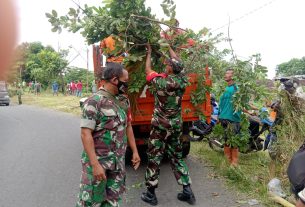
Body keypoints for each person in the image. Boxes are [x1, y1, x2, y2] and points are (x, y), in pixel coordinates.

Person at [76, 62, 141, 207]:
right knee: (91, 202)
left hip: (117, 164)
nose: (127, 84)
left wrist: (135, 151)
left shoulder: (123, 101)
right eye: (125, 81)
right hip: (99, 165)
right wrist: (95, 165)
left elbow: (128, 126)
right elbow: (85, 134)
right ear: (114, 79)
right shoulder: (94, 102)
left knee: (112, 202)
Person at [141, 44, 195, 206]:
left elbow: (148, 71)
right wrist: (171, 48)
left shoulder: (160, 82)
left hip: (160, 126)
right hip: (176, 125)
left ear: (171, 69)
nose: (166, 64)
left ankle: (151, 194)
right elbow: (180, 63)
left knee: (154, 157)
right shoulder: (182, 80)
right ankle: (187, 191)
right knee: (177, 157)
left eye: (168, 64)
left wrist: (149, 54)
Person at [218, 69, 241, 166]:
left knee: (234, 141)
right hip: (224, 118)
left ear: (233, 76)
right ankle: (227, 161)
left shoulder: (237, 89)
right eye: (226, 72)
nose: (225, 74)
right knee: (226, 140)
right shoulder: (225, 89)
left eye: (228, 73)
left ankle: (234, 162)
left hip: (233, 118)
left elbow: (242, 102)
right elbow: (221, 104)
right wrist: (219, 116)